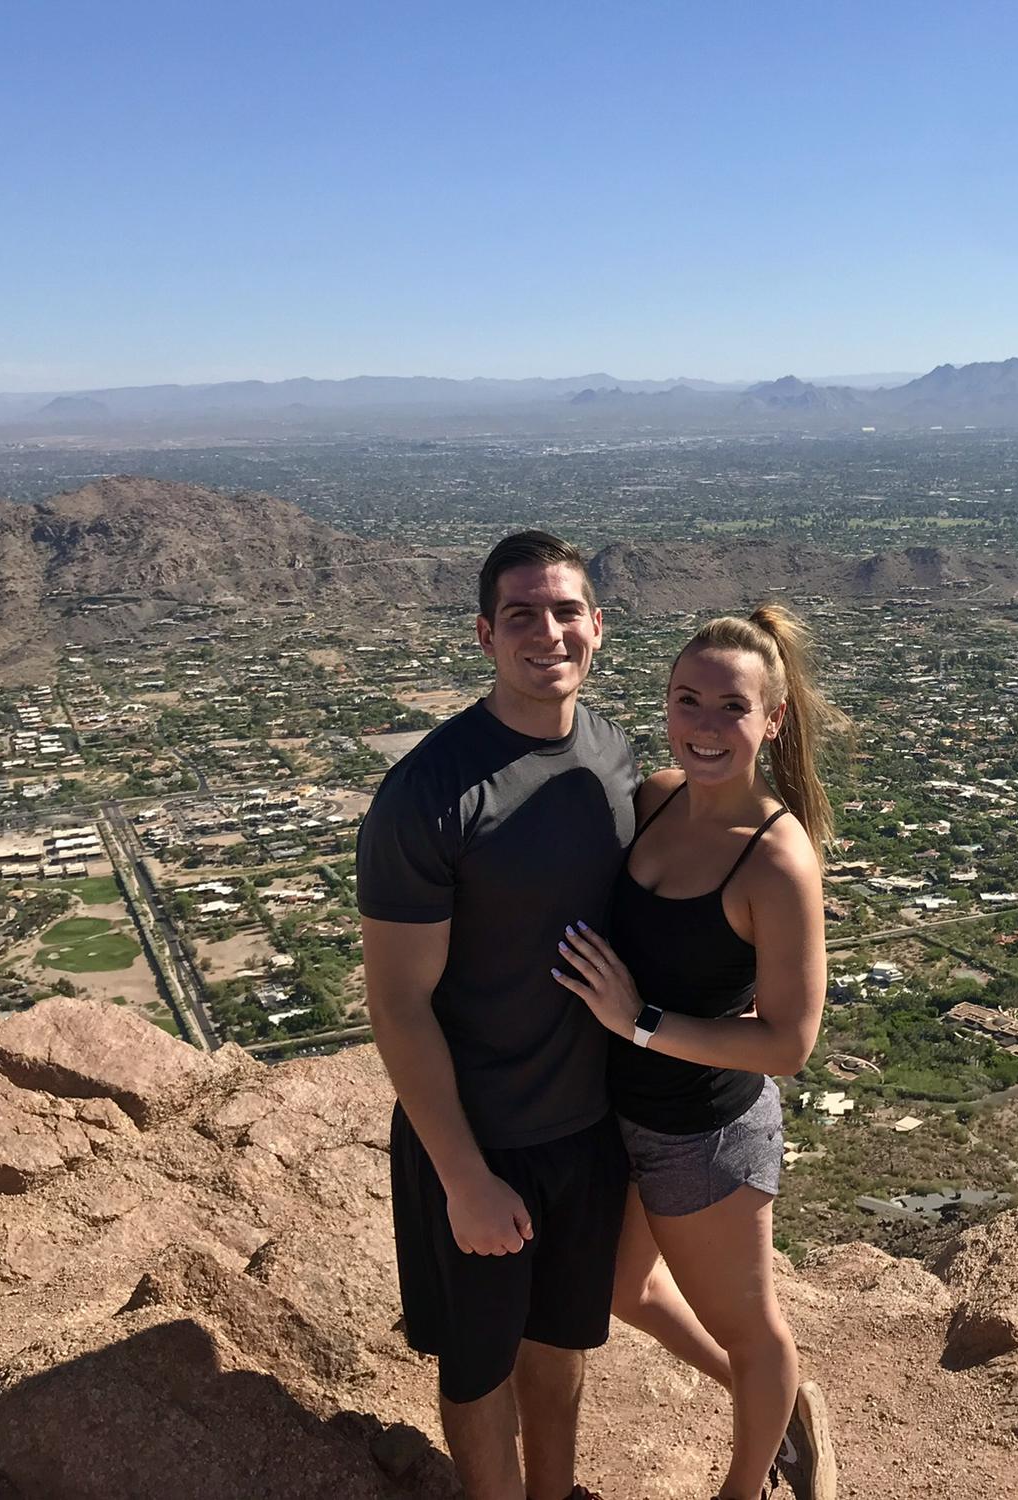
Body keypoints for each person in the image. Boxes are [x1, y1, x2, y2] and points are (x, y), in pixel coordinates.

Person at [359, 530, 661, 1500]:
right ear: (485, 635)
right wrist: (463, 1178)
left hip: (585, 1130)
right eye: (520, 615)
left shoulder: (613, 757)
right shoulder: (428, 795)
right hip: (480, 1138)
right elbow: (398, 1004)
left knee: (560, 1344)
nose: (547, 632)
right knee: (478, 1365)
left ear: (598, 628)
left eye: (565, 611)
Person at [551, 604, 843, 1500]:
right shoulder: (656, 800)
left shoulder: (776, 859)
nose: (705, 728)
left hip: (703, 1132)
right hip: (623, 1113)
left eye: (731, 708)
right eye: (688, 702)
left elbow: (790, 1044)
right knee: (618, 1290)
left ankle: (747, 1483)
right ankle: (780, 1403)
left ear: (774, 719)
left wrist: (640, 1023)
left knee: (752, 1329)